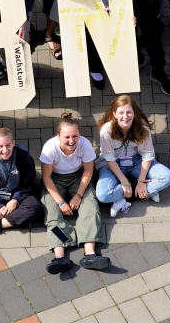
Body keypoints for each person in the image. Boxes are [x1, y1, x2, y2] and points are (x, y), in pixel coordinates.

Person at [41, 113, 110, 274]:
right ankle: (60, 255)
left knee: (90, 209)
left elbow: (88, 172)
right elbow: (46, 177)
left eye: (75, 136)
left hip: (79, 177)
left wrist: (78, 196)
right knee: (52, 214)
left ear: (80, 135)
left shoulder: (84, 145)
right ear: (58, 136)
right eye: (67, 137)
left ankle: (90, 253)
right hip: (54, 180)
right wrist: (60, 202)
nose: (71, 141)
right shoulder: (49, 148)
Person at [95, 95, 170, 216]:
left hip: (138, 161)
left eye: (128, 112)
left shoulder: (143, 128)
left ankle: (127, 195)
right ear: (114, 114)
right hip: (113, 164)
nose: (125, 116)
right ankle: (146, 192)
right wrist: (124, 181)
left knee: (167, 177)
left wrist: (141, 181)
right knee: (102, 195)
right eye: (121, 112)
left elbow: (148, 155)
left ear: (134, 113)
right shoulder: (106, 130)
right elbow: (109, 158)